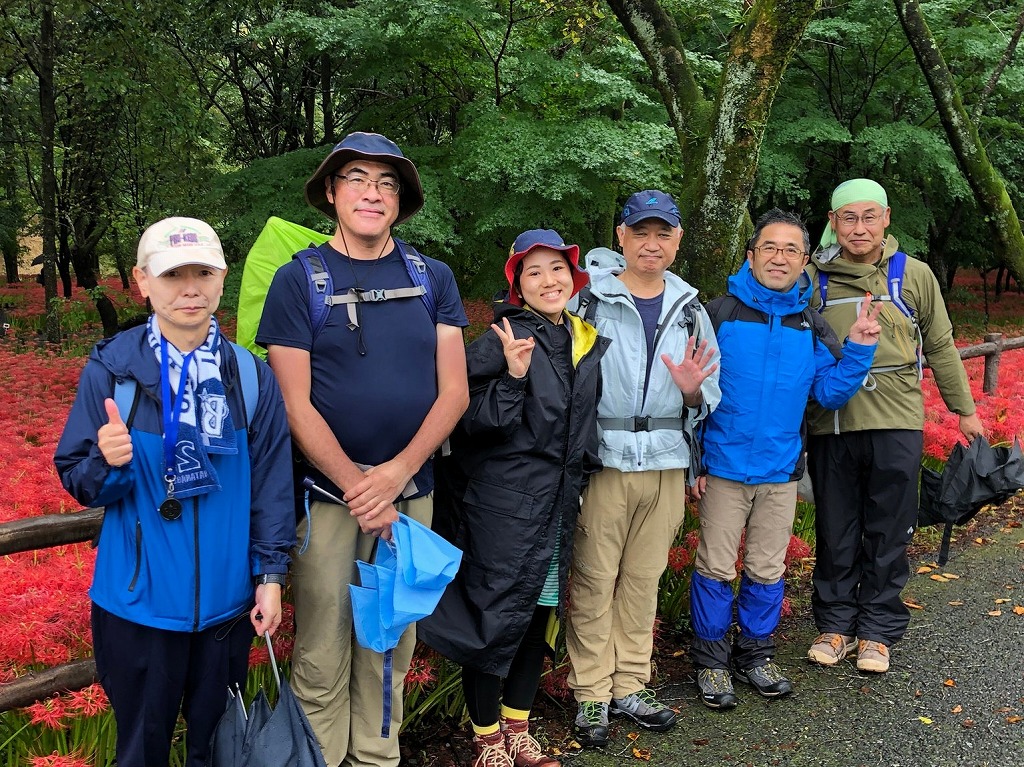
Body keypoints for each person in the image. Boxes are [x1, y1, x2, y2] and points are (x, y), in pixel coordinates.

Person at [256, 131, 469, 767]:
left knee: (390, 644)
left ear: (401, 201)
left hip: (410, 500)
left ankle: (378, 758)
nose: (372, 193)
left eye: (386, 183)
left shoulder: (433, 278)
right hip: (326, 499)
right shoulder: (298, 281)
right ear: (330, 192)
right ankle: (318, 759)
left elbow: (453, 391)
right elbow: (295, 404)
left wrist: (397, 476)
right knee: (321, 648)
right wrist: (358, 486)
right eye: (357, 179)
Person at [54, 217, 296, 767]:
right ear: (142, 281)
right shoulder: (112, 371)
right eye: (172, 274)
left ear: (222, 278)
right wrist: (109, 461)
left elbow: (272, 487)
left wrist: (271, 576)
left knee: (218, 751)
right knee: (140, 750)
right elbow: (80, 480)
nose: (190, 287)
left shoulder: (249, 376)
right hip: (137, 607)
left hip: (227, 609)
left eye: (203, 272)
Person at [419, 230, 607, 767]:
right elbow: (467, 422)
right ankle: (486, 741)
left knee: (538, 614)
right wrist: (514, 378)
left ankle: (518, 730)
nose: (549, 281)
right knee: (493, 617)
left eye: (557, 270)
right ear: (517, 286)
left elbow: (578, 428)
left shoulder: (583, 338)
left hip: (555, 508)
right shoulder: (501, 337)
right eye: (534, 272)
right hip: (504, 511)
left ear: (574, 279)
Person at [687, 208, 882, 709]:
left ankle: (755, 654)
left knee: (768, 568)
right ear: (750, 256)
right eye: (770, 247)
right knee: (714, 567)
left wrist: (858, 350)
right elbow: (692, 392)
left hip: (779, 471)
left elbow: (829, 392)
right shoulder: (720, 314)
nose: (780, 257)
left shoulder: (808, 323)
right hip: (723, 468)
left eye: (791, 249)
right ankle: (711, 662)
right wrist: (696, 463)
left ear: (804, 261)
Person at [805, 179, 985, 673]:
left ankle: (878, 630)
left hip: (897, 419)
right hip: (831, 422)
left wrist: (963, 409)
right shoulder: (812, 279)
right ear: (833, 221)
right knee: (836, 528)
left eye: (868, 217)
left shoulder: (914, 275)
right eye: (848, 218)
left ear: (886, 218)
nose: (858, 228)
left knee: (889, 529)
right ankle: (835, 624)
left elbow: (943, 345)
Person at [565, 190, 721, 748]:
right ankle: (591, 693)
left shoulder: (692, 309)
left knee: (642, 580)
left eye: (663, 234)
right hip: (604, 460)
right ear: (622, 238)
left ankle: (630, 682)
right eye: (641, 233)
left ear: (677, 242)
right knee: (593, 578)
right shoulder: (591, 302)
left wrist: (692, 391)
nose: (651, 244)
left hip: (667, 461)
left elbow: (710, 392)